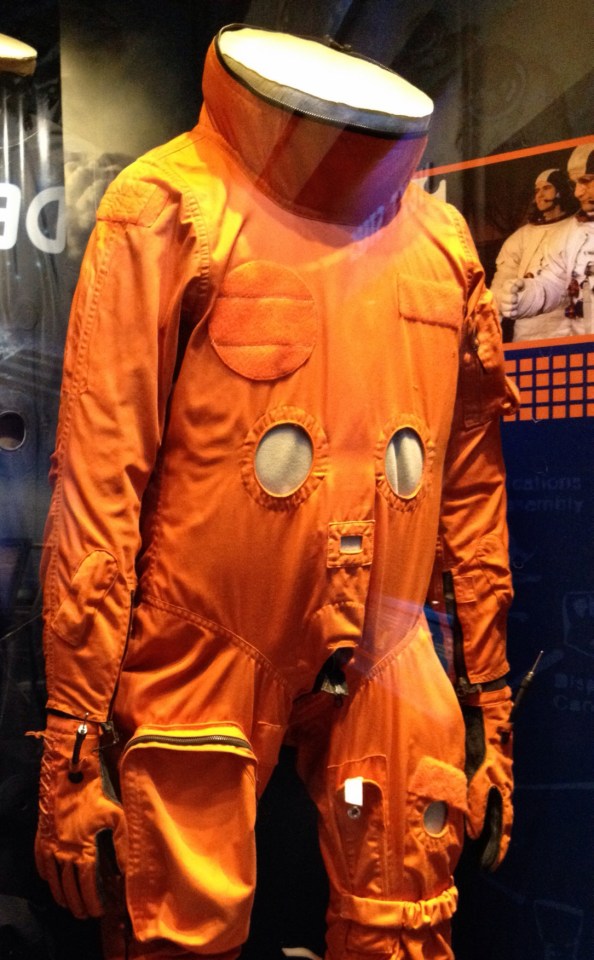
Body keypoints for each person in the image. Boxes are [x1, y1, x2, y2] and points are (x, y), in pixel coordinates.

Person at [34, 24, 517, 960]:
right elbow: (102, 484)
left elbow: (468, 493)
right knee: (184, 934)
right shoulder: (171, 207)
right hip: (211, 632)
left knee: (399, 921)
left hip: (375, 639)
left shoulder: (440, 243)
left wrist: (487, 703)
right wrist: (75, 737)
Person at [499, 144, 594, 335]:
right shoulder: (571, 232)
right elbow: (554, 282)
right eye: (575, 183)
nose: (578, 192)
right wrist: (526, 296)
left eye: (586, 181)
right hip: (574, 345)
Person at [490, 168, 574, 341]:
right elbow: (502, 281)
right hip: (526, 333)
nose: (540, 195)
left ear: (561, 190)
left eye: (547, 188)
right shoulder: (522, 235)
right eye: (537, 190)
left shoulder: (577, 229)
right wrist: (499, 308)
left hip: (564, 329)